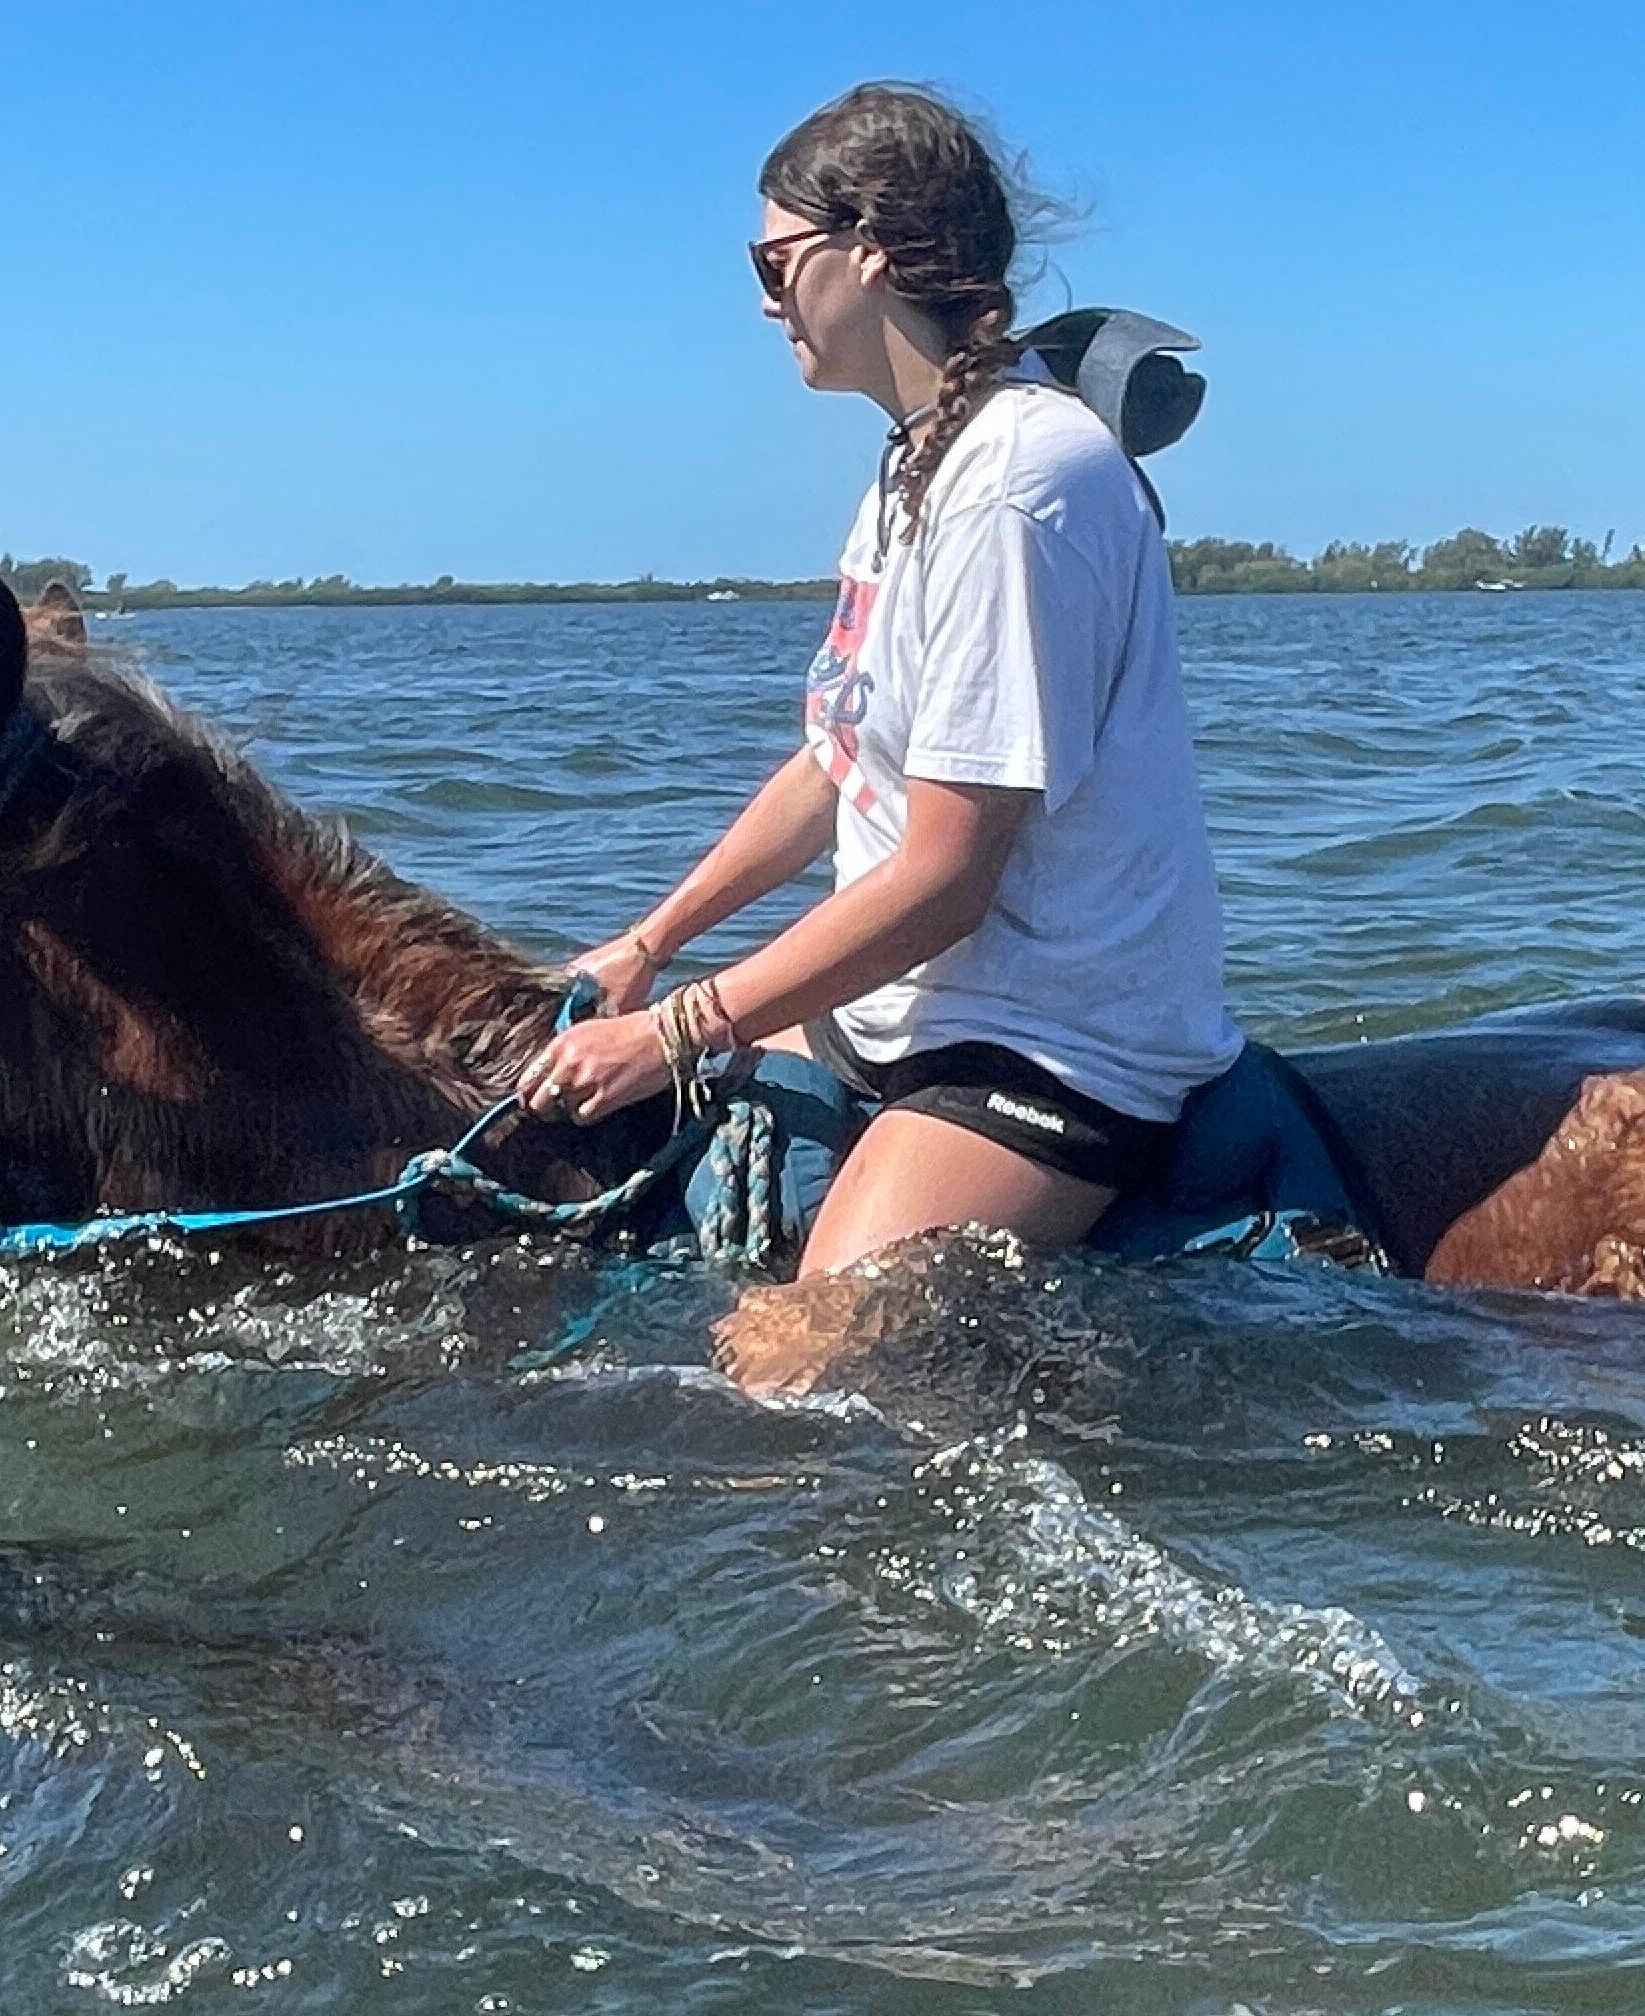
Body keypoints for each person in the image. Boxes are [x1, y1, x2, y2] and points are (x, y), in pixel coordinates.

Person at [516, 81, 1242, 1276]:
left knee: (787, 1368)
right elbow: (836, 765)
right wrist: (647, 946)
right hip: (903, 1011)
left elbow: (950, 878)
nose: (764, 305)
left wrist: (683, 1030)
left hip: (1050, 1039)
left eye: (773, 264)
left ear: (867, 255)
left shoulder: (1021, 481)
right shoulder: (918, 461)